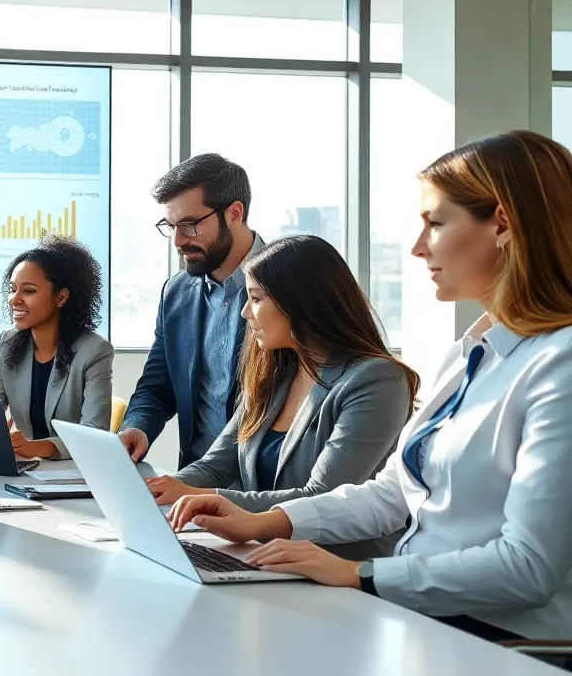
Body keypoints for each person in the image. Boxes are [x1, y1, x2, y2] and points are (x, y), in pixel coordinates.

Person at [171, 131, 572, 641]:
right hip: (424, 622)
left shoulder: (559, 366)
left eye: (436, 223)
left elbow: (527, 567)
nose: (417, 246)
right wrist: (270, 521)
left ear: (502, 224)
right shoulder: (470, 353)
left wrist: (362, 574)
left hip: (504, 645)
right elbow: (393, 494)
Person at [144, 235, 419, 561]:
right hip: (263, 557)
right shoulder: (273, 374)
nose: (246, 312)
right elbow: (215, 467)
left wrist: (203, 497)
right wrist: (160, 488)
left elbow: (322, 496)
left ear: (300, 304)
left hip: (339, 572)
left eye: (256, 298)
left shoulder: (375, 380)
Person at [117, 154, 264, 468]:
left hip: (264, 492)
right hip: (192, 484)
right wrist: (136, 426)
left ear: (234, 213)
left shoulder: (290, 284)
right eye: (170, 227)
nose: (178, 241)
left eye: (189, 225)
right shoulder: (177, 293)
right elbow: (157, 386)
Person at [0, 235, 113, 461]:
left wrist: (36, 448)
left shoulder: (94, 350)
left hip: (72, 472)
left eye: (29, 291)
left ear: (61, 297)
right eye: (12, 289)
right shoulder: (6, 344)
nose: (15, 299)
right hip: (22, 469)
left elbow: (94, 434)